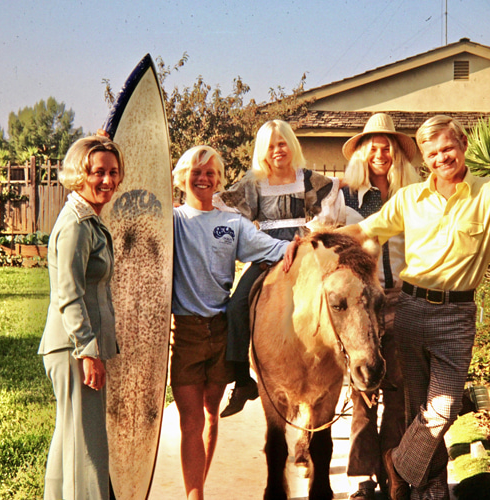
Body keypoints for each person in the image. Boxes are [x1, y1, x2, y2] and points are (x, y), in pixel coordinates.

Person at [339, 115, 490, 500]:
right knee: (417, 412)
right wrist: (310, 239)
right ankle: (433, 491)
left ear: (461, 145)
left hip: (455, 317)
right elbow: (363, 230)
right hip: (410, 310)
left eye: (448, 148)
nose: (441, 157)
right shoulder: (410, 199)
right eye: (432, 152)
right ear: (424, 159)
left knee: (440, 411)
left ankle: (396, 463)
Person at [170, 145, 297, 500]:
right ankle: (194, 495)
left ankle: (198, 488)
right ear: (183, 177)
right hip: (187, 333)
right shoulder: (173, 222)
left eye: (211, 173)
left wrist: (299, 245)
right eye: (196, 172)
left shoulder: (232, 223)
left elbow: (271, 248)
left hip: (222, 332)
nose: (204, 178)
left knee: (212, 417)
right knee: (190, 422)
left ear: (219, 180)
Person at [214, 119, 345, 418]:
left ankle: (342, 361)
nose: (277, 150)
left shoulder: (306, 178)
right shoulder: (255, 181)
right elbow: (224, 202)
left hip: (304, 248)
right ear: (263, 149)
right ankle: (242, 379)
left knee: (333, 298)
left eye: (282, 143)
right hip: (266, 250)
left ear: (291, 145)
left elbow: (336, 186)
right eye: (271, 145)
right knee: (236, 307)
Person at [38, 135, 125, 500]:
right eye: (98, 172)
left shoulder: (87, 219)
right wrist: (88, 351)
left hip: (76, 346)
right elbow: (68, 294)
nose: (107, 180)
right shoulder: (76, 224)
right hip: (74, 347)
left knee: (72, 437)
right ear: (80, 174)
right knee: (88, 446)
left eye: (114, 173)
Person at [340, 113, 420, 500]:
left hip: (403, 298)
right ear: (362, 151)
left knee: (398, 389)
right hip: (363, 303)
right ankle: (361, 479)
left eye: (387, 144)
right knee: (362, 391)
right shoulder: (346, 196)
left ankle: (393, 473)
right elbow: (325, 233)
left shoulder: (414, 195)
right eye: (373, 144)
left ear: (397, 154)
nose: (380, 151)